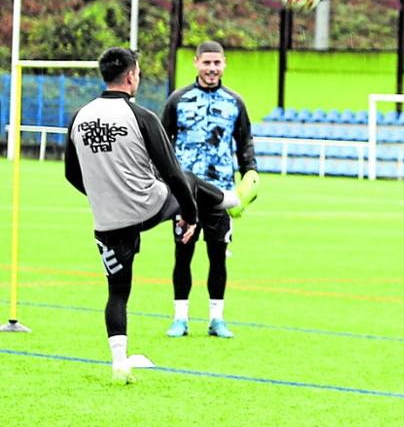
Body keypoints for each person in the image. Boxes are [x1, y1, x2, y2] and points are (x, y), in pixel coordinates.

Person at [65, 48, 243, 383]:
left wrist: (106, 197)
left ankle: (119, 363)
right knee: (189, 181)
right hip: (148, 206)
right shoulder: (142, 117)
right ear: (132, 76)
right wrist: (190, 216)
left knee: (117, 291)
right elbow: (174, 175)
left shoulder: (79, 117)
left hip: (108, 218)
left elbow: (72, 175)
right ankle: (228, 200)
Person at [161, 40, 259, 339]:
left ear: (224, 64)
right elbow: (162, 144)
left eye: (217, 63)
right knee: (183, 255)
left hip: (221, 194)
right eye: (207, 63)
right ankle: (180, 318)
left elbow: (244, 143)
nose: (212, 69)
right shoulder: (178, 100)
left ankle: (217, 319)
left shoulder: (235, 103)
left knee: (218, 256)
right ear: (196, 63)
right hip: (186, 193)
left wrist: (250, 172)